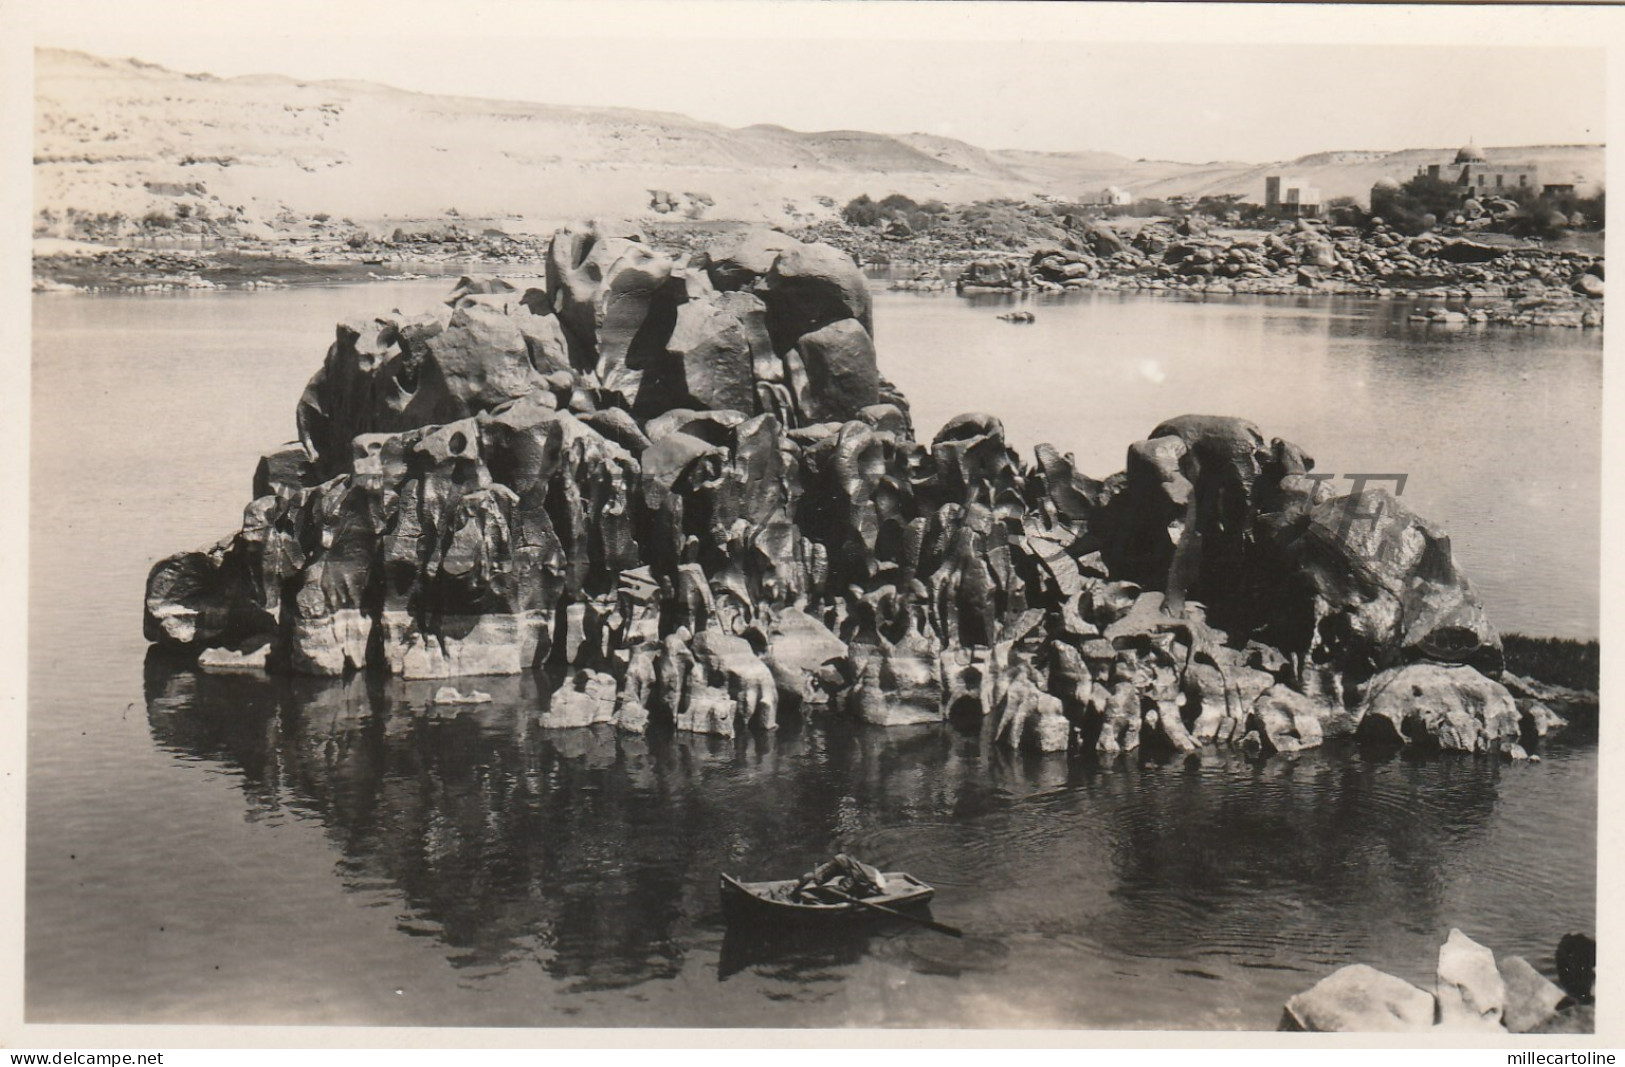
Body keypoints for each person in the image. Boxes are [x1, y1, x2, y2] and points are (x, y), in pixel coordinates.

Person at [791, 853, 885, 902]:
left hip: (842, 862)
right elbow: (879, 889)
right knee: (820, 876)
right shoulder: (872, 876)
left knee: (820, 877)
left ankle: (810, 884)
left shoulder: (870, 874)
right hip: (844, 864)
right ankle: (809, 884)